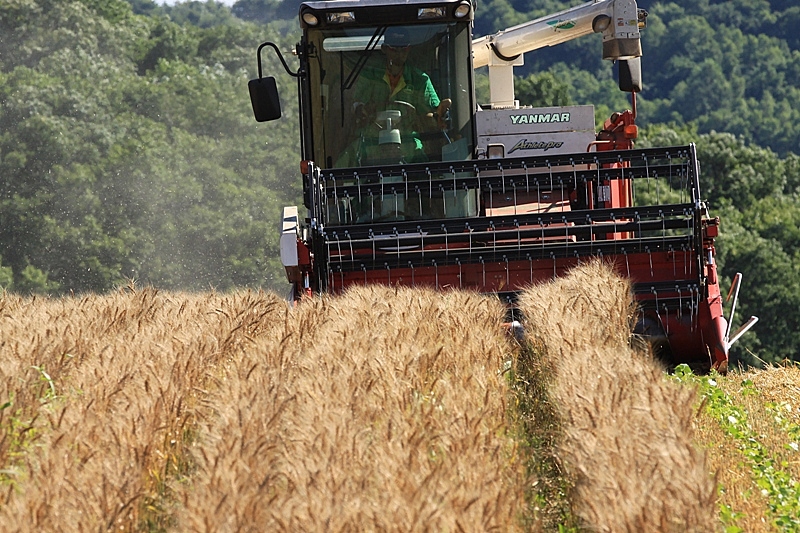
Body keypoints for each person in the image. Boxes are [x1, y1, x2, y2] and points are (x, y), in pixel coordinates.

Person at [336, 26, 451, 167]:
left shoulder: (420, 80)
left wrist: (439, 114)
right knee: (345, 164)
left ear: (409, 49)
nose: (399, 54)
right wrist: (363, 110)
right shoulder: (369, 76)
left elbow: (434, 112)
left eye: (404, 49)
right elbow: (356, 105)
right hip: (371, 143)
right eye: (394, 49)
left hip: (409, 145)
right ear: (384, 49)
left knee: (425, 171)